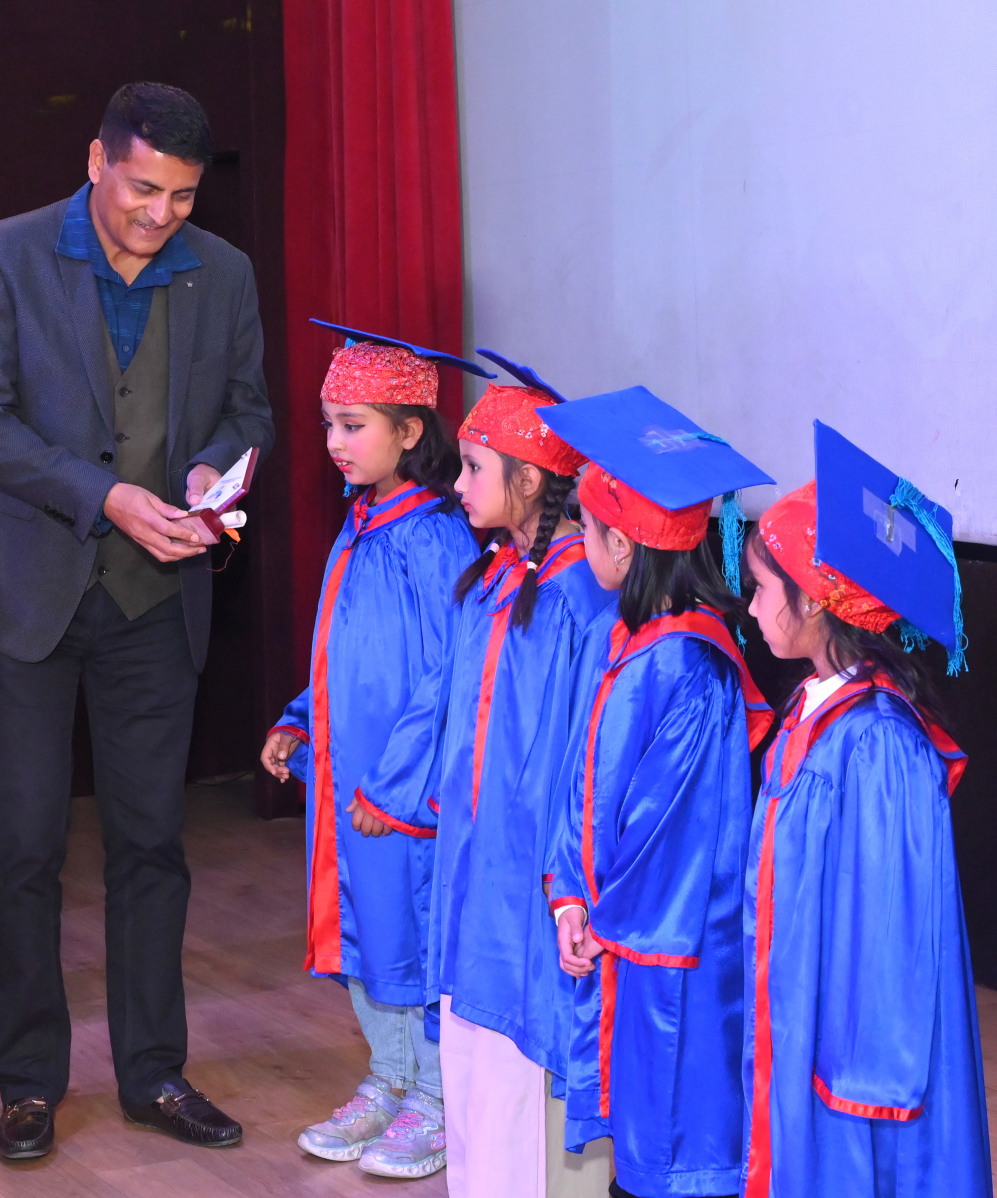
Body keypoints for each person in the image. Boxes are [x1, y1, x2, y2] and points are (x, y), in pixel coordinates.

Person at [0, 80, 274, 1160]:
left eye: (181, 196)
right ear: (96, 161)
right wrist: (107, 495)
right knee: (24, 846)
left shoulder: (224, 273)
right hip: (27, 595)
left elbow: (247, 410)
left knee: (150, 845)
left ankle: (155, 1073)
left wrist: (211, 472)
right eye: (141, 189)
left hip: (157, 600)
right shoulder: (4, 254)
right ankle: (29, 1084)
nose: (159, 214)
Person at [361, 357, 615, 1198]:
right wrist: (397, 792)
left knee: (521, 1069)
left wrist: (566, 875)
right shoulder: (496, 577)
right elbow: (446, 697)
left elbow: (584, 752)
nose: (459, 484)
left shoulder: (580, 596)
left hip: (531, 872)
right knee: (470, 1054)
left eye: (474, 469)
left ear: (531, 480)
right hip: (474, 858)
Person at [740, 421, 989, 1197]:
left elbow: (889, 936)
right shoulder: (813, 709)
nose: (749, 607)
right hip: (801, 1015)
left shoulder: (879, 744)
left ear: (816, 603)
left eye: (761, 588)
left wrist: (858, 1077)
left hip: (853, 1067)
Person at [541, 388, 774, 1198]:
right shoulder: (630, 638)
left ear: (622, 545)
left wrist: (602, 918)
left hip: (670, 947)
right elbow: (582, 781)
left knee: (673, 1139)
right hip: (620, 933)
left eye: (588, 529)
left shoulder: (691, 665)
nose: (581, 543)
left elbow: (667, 831)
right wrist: (569, 895)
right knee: (639, 1127)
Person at [260, 327, 478, 1180]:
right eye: (328, 423)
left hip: (400, 793)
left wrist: (396, 789)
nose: (334, 443)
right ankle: (390, 1076)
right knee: (361, 935)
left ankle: (437, 1095)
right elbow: (341, 649)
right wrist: (300, 720)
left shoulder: (435, 537)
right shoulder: (360, 525)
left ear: (410, 430)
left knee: (407, 937)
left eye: (353, 425)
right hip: (346, 781)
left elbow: (448, 678)